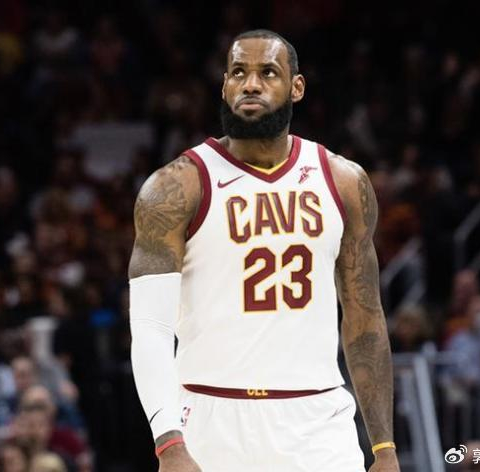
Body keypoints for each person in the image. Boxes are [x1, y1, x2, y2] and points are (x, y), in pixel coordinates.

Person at [128, 29, 399, 472]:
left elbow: (365, 318)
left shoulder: (345, 182)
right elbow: (150, 328)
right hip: (210, 417)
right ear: (224, 86)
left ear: (297, 87)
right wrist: (167, 441)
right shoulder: (174, 188)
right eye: (238, 72)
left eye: (267, 73)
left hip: (317, 420)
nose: (250, 84)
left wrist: (384, 447)